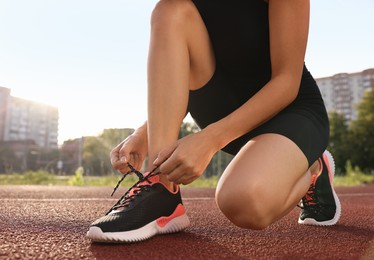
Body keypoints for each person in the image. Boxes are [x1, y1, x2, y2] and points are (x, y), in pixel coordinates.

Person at [87, 0, 341, 243]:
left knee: (244, 202)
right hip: (221, 111)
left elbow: (287, 83)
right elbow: (182, 74)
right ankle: (160, 190)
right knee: (169, 9)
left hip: (289, 114)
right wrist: (144, 133)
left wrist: (208, 140)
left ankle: (313, 169)